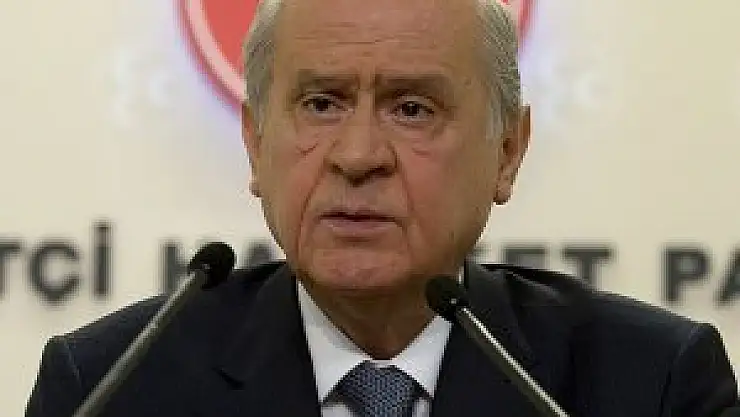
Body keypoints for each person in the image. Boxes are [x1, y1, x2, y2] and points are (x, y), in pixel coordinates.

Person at [25, 0, 739, 416]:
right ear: (255, 141)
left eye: (411, 108)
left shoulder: (652, 384)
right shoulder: (111, 387)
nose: (358, 154)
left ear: (508, 152)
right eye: (321, 103)